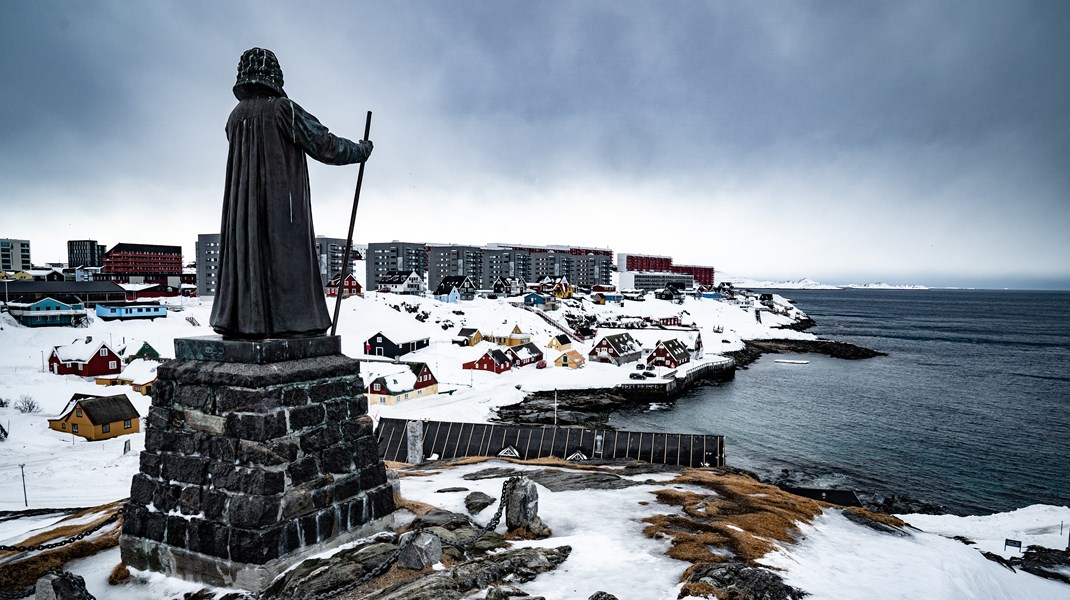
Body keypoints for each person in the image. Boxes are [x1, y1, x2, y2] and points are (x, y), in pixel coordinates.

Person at [210, 48, 372, 339]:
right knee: (287, 262)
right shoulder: (282, 108)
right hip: (281, 208)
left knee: (250, 258)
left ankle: (248, 322)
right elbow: (324, 144)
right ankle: (294, 323)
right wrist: (360, 151)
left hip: (243, 214)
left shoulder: (235, 117)